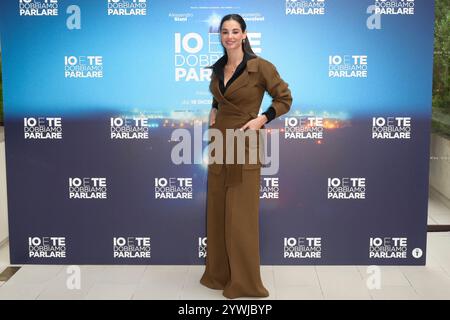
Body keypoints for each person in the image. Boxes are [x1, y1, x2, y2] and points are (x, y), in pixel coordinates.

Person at [200, 13, 293, 299]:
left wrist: (261, 119)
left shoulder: (260, 66)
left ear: (244, 34)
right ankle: (219, 275)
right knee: (217, 212)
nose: (229, 35)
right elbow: (220, 96)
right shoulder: (219, 68)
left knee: (240, 216)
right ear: (221, 36)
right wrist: (215, 108)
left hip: (244, 143)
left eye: (235, 30)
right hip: (219, 143)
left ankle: (244, 283)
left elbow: (284, 99)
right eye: (225, 31)